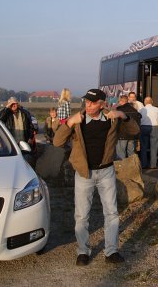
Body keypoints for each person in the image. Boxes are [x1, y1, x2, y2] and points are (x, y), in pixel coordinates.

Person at [52, 88, 140, 266]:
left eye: (92, 103)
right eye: (86, 102)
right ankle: (83, 251)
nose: (88, 105)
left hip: (106, 172)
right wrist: (69, 122)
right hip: (84, 174)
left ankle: (111, 251)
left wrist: (123, 116)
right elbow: (57, 142)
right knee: (82, 216)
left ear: (102, 104)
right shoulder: (78, 120)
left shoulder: (112, 118)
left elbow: (135, 130)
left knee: (111, 213)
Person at [138, 96, 158, 169]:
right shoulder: (157, 109)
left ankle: (144, 164)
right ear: (152, 102)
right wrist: (157, 129)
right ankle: (153, 165)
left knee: (143, 147)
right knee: (154, 147)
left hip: (143, 127)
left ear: (144, 102)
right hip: (154, 127)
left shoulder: (141, 110)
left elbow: (138, 120)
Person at [114, 94, 141, 159]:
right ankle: (133, 168)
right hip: (132, 136)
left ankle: (123, 169)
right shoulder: (134, 110)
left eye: (119, 101)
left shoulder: (119, 110)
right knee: (131, 154)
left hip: (122, 135)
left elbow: (116, 123)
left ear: (121, 101)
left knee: (121, 155)